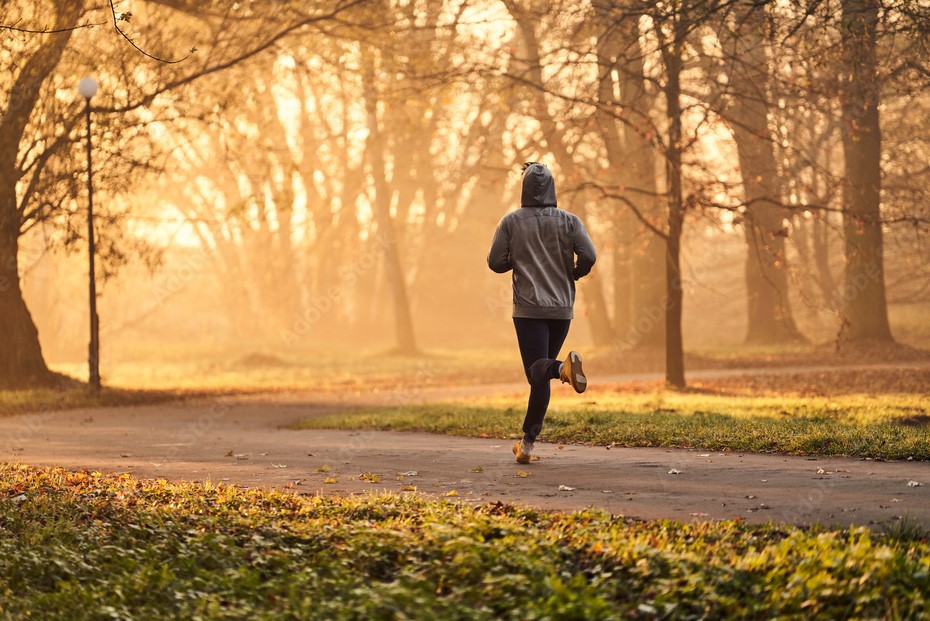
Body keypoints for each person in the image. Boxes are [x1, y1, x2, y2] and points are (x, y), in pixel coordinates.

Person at [487, 162, 597, 464]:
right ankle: (527, 444)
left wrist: (518, 258)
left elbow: (495, 261)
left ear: (523, 188)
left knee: (537, 369)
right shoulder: (570, 221)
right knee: (541, 375)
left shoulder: (511, 221)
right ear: (552, 188)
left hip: (529, 307)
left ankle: (563, 367)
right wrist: (574, 273)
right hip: (562, 308)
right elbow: (589, 255)